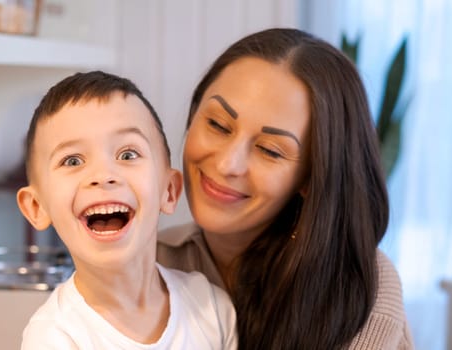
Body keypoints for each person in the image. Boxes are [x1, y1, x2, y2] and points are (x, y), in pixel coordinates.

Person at [157, 28, 414, 349]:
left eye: (270, 150)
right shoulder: (151, 260)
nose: (227, 164)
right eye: (218, 125)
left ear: (311, 177)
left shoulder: (358, 283)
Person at [16, 70, 237, 349]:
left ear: (168, 190)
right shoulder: (54, 337)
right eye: (72, 161)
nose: (103, 175)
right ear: (36, 207)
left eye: (128, 154)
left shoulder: (211, 308)